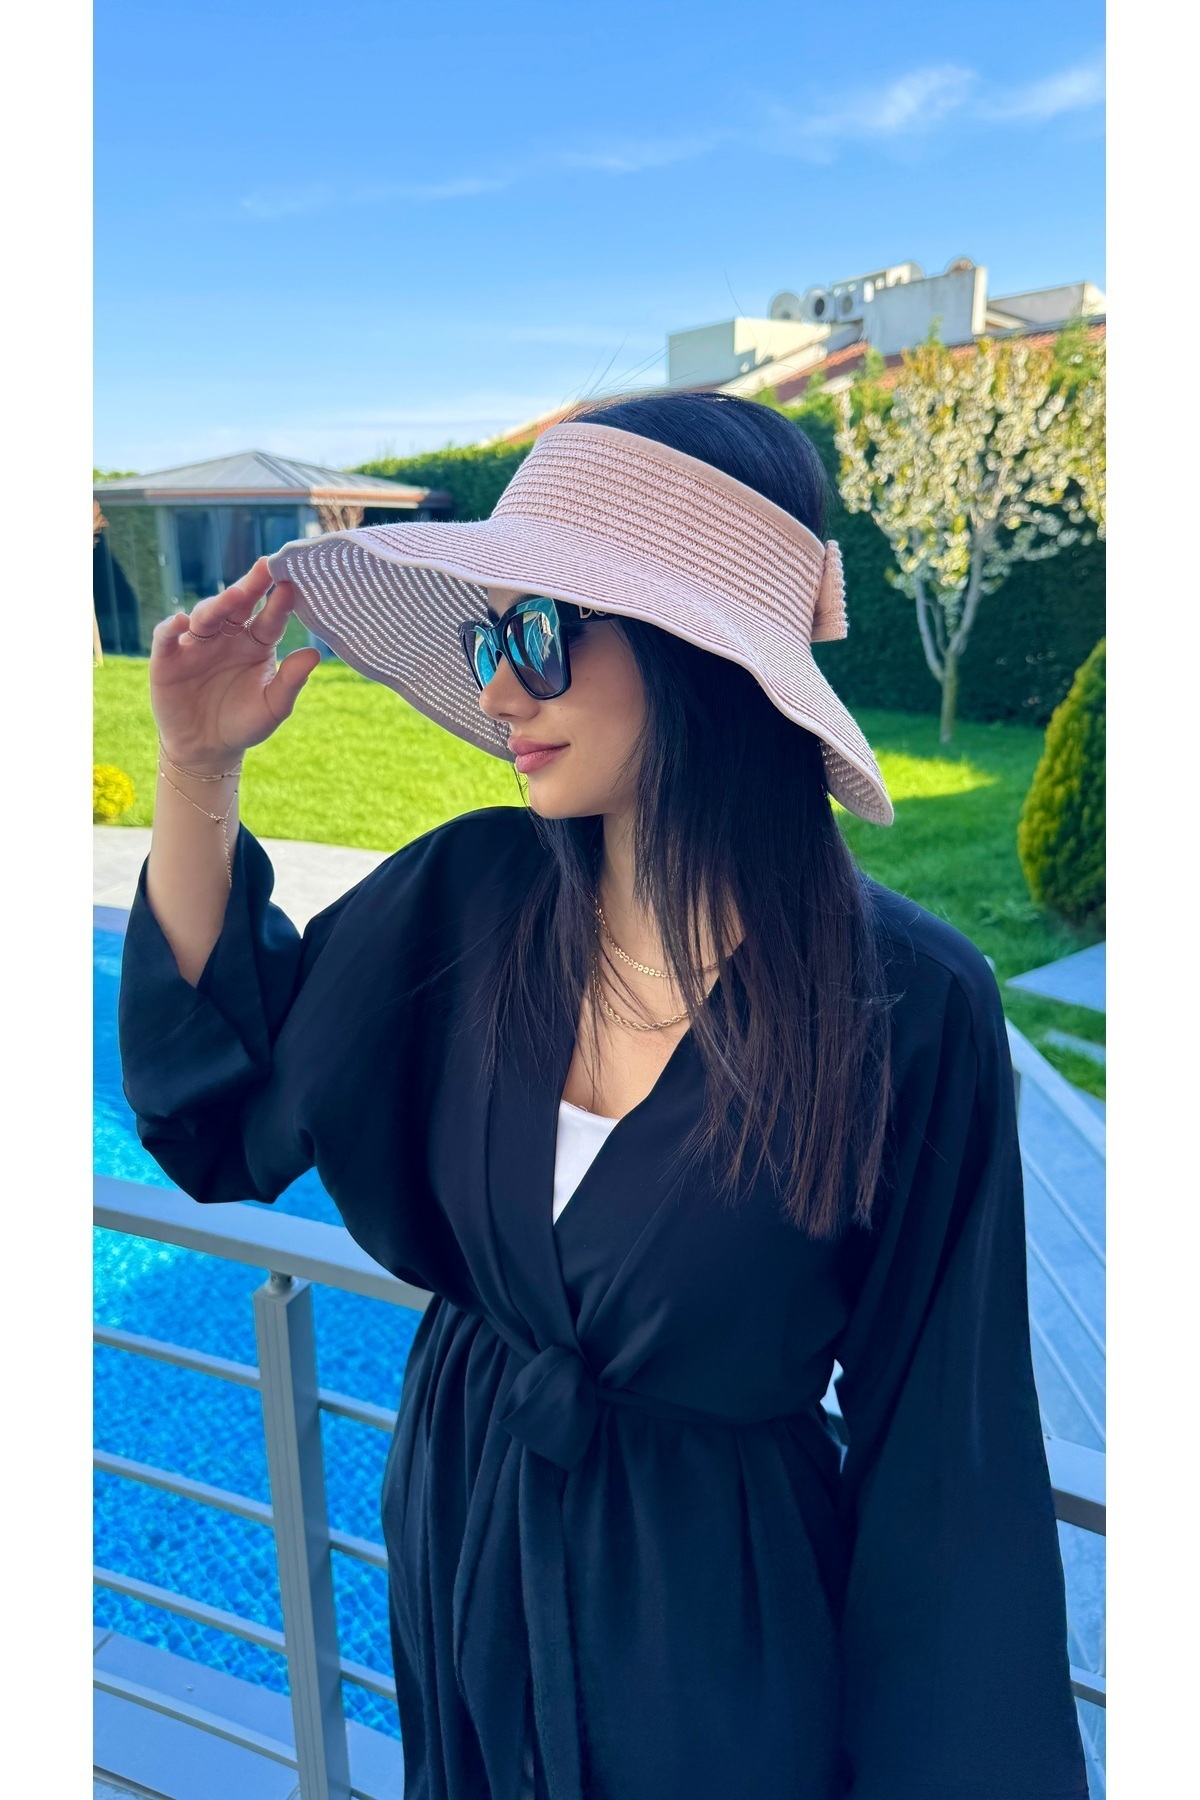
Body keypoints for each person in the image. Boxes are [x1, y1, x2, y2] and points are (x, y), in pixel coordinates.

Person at [119, 394, 1087, 1800]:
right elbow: (219, 1101)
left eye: (537, 636)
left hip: (717, 1638)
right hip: (471, 1557)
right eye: (486, 640)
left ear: (696, 645)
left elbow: (948, 1460)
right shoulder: (469, 898)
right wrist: (200, 766)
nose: (499, 695)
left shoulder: (904, 1006)